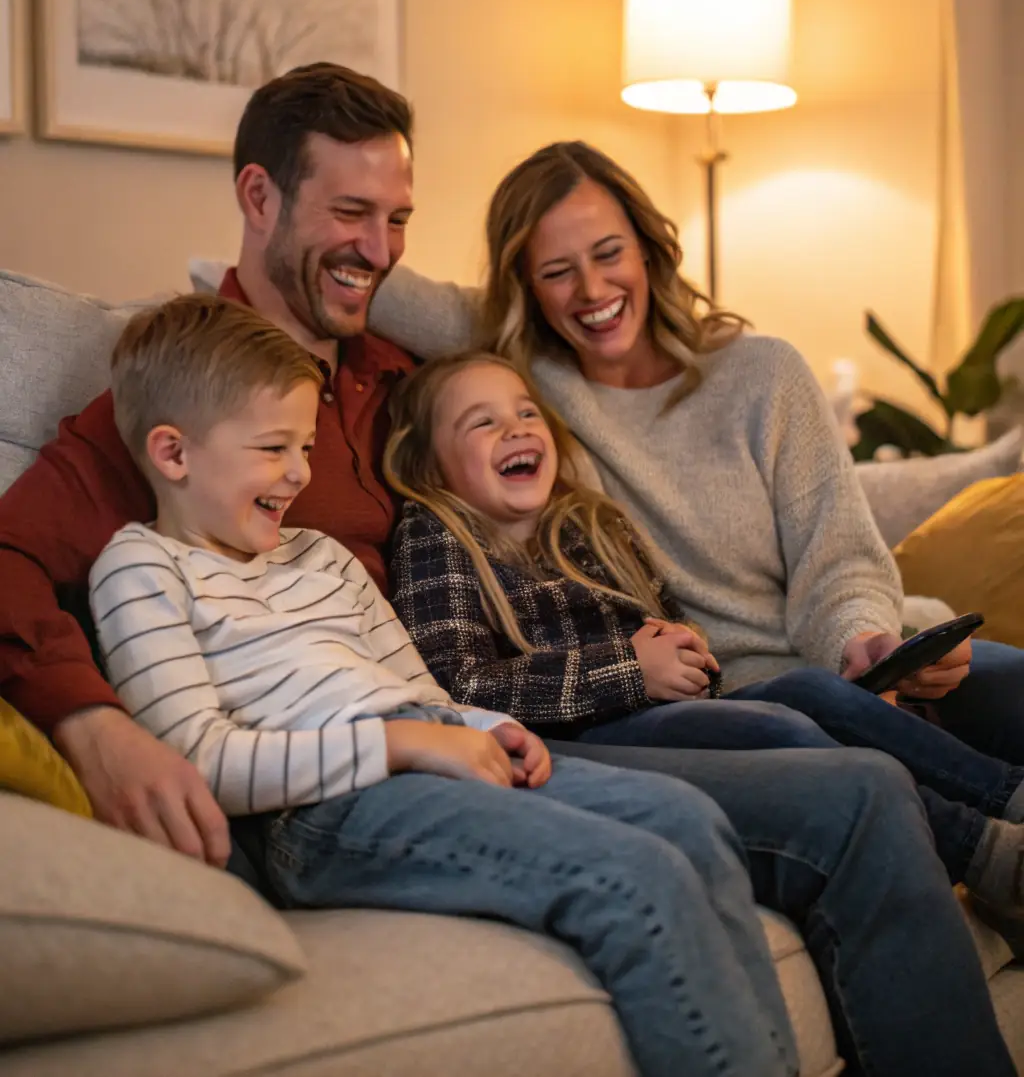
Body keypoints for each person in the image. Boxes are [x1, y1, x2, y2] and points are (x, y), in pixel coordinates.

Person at [89, 293, 1018, 1077]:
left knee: (694, 823)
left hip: (440, 745)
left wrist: (485, 727)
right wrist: (411, 739)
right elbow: (201, 760)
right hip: (333, 799)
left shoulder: (320, 556)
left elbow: (422, 682)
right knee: (641, 870)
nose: (299, 474)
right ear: (173, 455)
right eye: (273, 450)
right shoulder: (140, 568)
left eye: (304, 448)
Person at [368, 140, 1024, 766]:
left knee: (1007, 683)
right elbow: (375, 279)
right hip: (729, 699)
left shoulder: (765, 375)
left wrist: (865, 644)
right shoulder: (530, 382)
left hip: (844, 659)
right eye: (557, 272)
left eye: (608, 253)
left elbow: (840, 558)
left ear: (648, 250)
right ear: (527, 288)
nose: (592, 290)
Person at [384, 349, 1024, 921]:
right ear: (428, 462)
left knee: (812, 691)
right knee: (783, 729)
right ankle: (985, 850)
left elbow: (669, 625)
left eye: (525, 412)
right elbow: (456, 685)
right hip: (585, 738)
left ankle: (1009, 796)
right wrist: (629, 670)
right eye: (483, 422)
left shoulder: (593, 521)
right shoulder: (436, 533)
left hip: (672, 711)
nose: (517, 428)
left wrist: (686, 655)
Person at [0, 63, 417, 861]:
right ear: (259, 198)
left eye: (398, 218)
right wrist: (93, 726)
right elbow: (7, 555)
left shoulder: (403, 372)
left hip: (468, 714)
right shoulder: (184, 401)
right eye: (352, 212)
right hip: (314, 778)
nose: (380, 248)